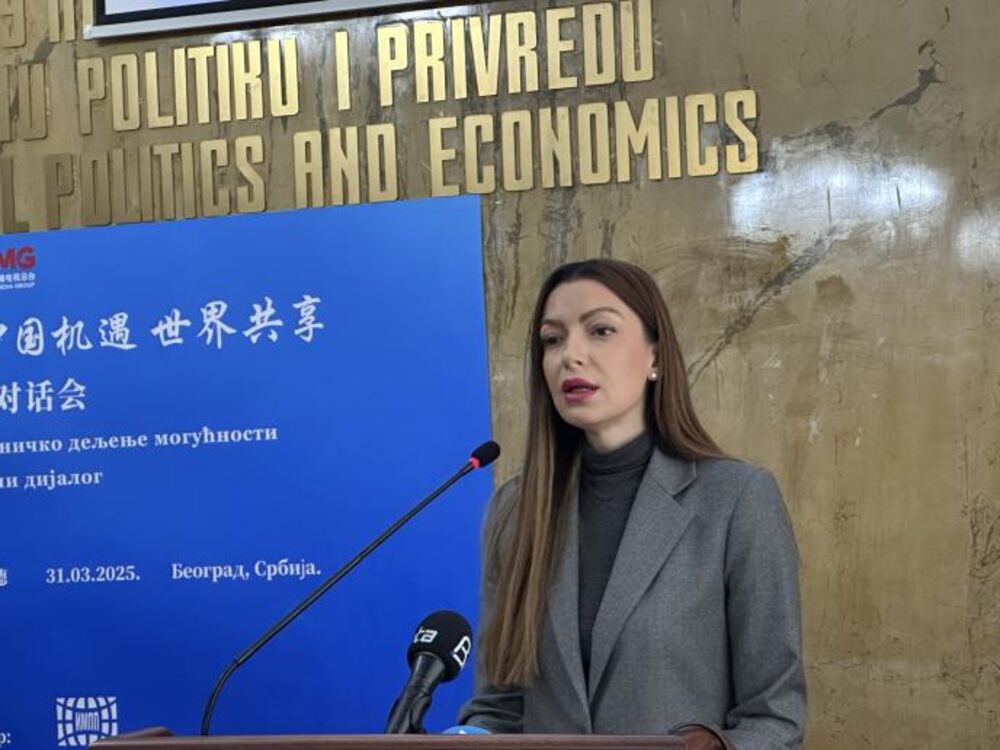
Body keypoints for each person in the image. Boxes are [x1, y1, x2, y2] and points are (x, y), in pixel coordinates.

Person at [457, 259, 805, 749]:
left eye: (600, 331)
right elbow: (499, 707)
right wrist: (470, 737)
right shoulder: (515, 509)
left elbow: (775, 719)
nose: (571, 356)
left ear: (655, 357)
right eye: (553, 340)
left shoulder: (737, 500)